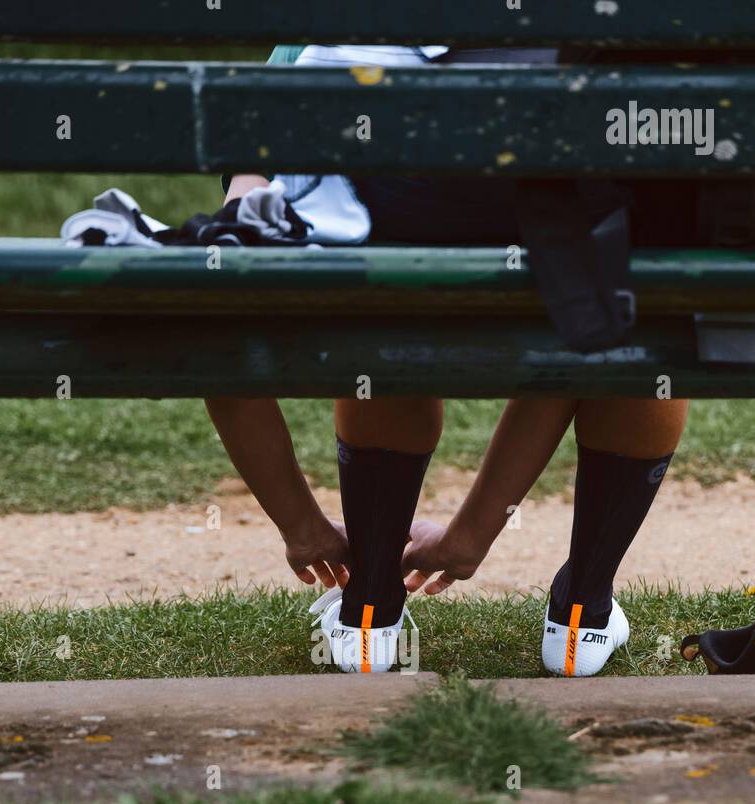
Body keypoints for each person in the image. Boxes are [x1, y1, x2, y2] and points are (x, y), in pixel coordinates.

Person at [206, 41, 690, 676]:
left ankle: (370, 607)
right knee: (631, 337)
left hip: (387, 288)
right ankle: (583, 613)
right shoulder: (575, 38)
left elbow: (224, 296)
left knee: (379, 331)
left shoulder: (318, 41)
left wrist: (300, 523)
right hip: (566, 277)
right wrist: (472, 535)